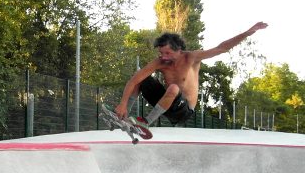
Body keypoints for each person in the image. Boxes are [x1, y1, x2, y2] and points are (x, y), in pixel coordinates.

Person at [115, 22, 268, 127]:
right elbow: (134, 80)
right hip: (165, 103)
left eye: (168, 53)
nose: (163, 57)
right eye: (161, 53)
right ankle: (123, 115)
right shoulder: (159, 62)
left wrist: (248, 32)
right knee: (140, 78)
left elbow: (221, 48)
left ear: (179, 49)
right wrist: (122, 103)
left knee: (174, 88)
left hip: (184, 110)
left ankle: (146, 123)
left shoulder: (192, 58)